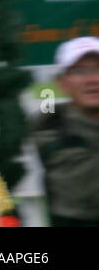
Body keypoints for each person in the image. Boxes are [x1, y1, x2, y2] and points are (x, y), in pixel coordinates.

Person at [30, 37, 99, 226]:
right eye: (80, 71)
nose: (92, 79)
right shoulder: (51, 129)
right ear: (63, 83)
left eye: (98, 69)